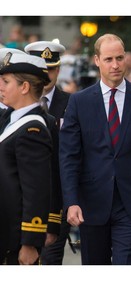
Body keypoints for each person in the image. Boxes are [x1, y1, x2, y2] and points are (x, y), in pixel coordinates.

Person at [59, 33, 131, 265]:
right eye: (108, 59)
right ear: (97, 60)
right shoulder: (79, 102)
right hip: (92, 203)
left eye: (120, 58)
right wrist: (71, 201)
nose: (116, 65)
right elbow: (69, 156)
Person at [0, 52, 53, 265]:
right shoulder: (9, 120)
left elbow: (36, 190)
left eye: (6, 81)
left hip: (14, 240)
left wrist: (30, 242)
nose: (0, 86)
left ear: (24, 87)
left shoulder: (32, 129)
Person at [24, 40, 72, 265]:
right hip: (23, 200)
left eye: (51, 68)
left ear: (58, 69)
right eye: (41, 68)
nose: (46, 74)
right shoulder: (16, 106)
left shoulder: (72, 104)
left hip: (57, 199)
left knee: (51, 261)